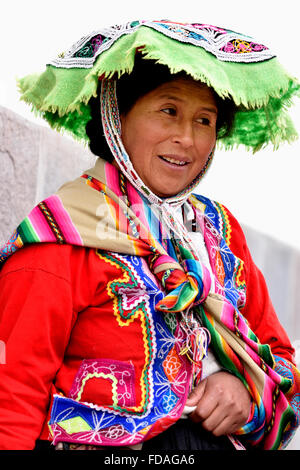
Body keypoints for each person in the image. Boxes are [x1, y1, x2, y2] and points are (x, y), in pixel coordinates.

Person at [0, 20, 299, 451]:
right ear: (115, 116)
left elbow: (282, 363)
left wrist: (247, 396)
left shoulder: (219, 234)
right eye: (168, 110)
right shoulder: (63, 238)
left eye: (204, 120)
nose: (187, 138)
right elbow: (11, 394)